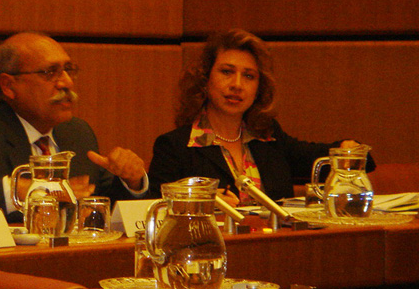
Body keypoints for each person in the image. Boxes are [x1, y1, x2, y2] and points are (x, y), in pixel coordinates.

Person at [0, 32, 148, 222]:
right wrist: (15, 192)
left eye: (68, 70)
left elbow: (100, 204)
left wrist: (131, 182)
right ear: (8, 86)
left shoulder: (77, 132)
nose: (66, 82)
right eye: (49, 72)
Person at [148, 28, 374, 204]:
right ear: (205, 80)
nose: (237, 85)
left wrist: (349, 149)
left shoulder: (269, 138)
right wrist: (199, 203)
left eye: (248, 76)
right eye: (227, 72)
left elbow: (328, 162)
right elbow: (154, 209)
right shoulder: (174, 148)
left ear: (259, 88)